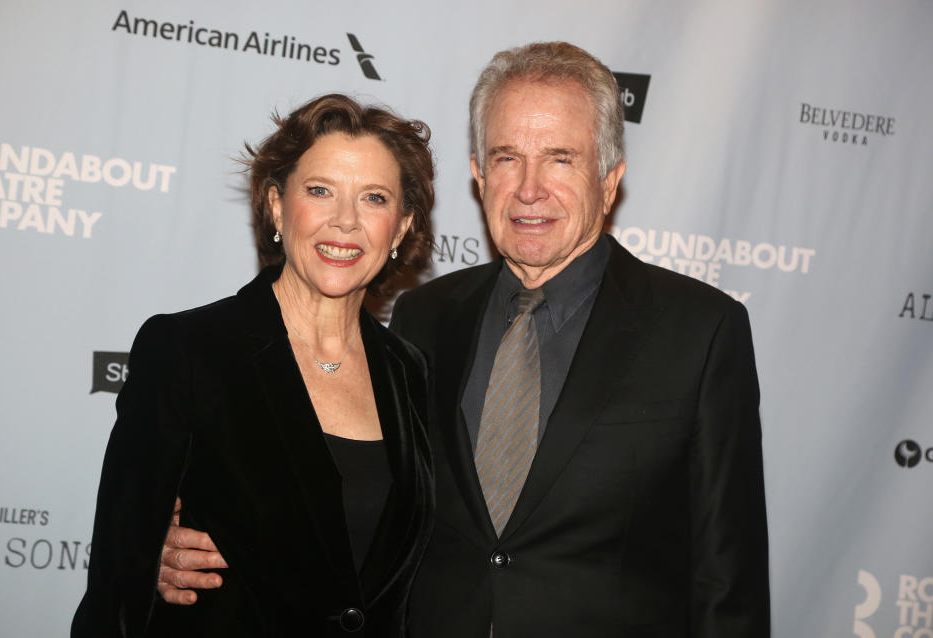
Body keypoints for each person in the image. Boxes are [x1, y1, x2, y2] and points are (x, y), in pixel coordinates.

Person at [158, 42, 771, 637]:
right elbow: (359, 505)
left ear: (610, 180)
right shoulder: (423, 319)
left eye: (560, 157)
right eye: (507, 157)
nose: (530, 188)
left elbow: (727, 581)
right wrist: (170, 543)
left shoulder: (700, 331)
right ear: (479, 175)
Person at [71, 94, 435, 637]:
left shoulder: (407, 371)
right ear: (275, 205)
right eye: (319, 191)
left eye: (374, 199)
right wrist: (150, 562)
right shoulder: (189, 349)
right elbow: (117, 583)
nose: (345, 222)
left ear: (401, 227)